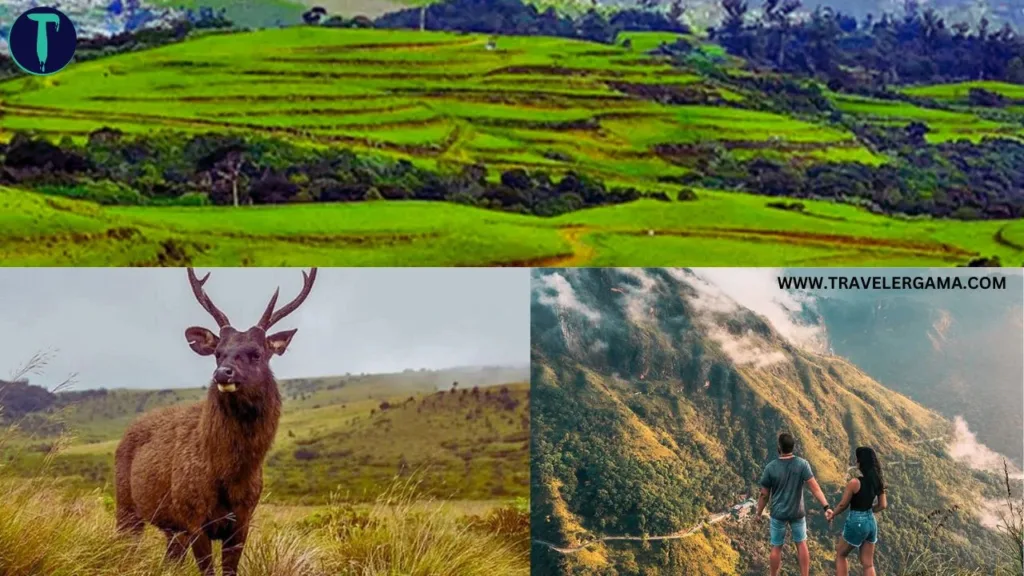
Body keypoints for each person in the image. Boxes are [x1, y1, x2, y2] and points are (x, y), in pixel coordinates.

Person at [755, 432, 833, 576]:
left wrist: (759, 513)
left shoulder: (771, 468)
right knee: (801, 543)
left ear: (779, 447)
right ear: (793, 447)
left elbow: (764, 495)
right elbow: (815, 488)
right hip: (797, 512)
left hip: (778, 514)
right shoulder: (802, 464)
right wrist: (826, 506)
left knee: (776, 547)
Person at [826, 446, 888, 576]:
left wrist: (833, 514)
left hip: (857, 521)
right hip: (871, 522)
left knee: (841, 554)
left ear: (861, 463)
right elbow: (883, 505)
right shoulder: (878, 481)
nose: (856, 462)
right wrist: (870, 509)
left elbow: (843, 504)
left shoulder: (854, 483)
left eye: (857, 460)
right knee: (868, 564)